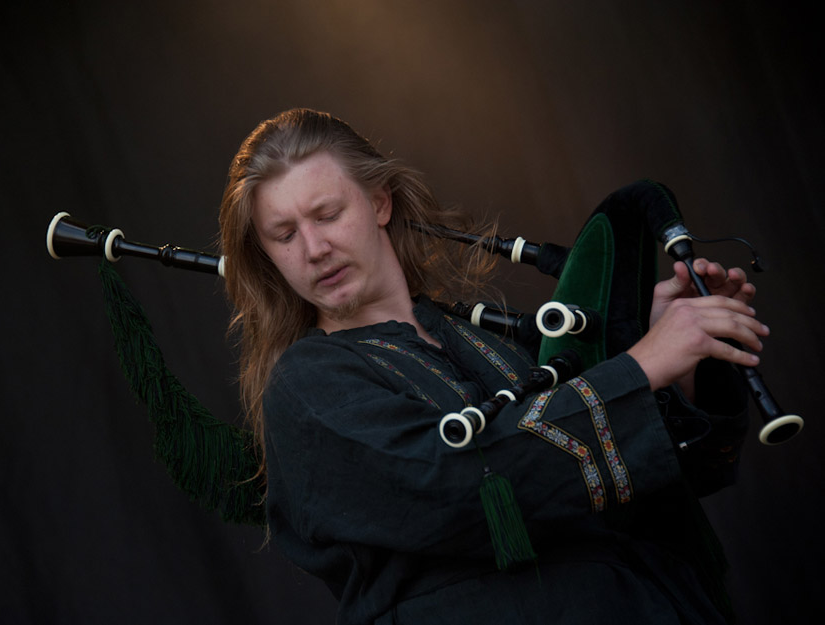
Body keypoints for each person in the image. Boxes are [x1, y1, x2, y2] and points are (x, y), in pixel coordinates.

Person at [218, 108, 765, 624]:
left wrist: (676, 362)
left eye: (328, 215)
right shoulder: (307, 384)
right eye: (285, 235)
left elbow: (644, 481)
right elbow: (454, 487)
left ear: (380, 203)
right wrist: (640, 368)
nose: (314, 248)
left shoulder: (491, 344)